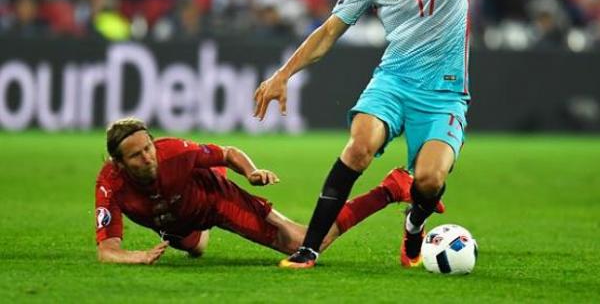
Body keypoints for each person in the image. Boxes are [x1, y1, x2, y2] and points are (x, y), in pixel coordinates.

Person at [253, 0, 570, 269]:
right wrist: (283, 74)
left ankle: (415, 222)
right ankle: (310, 248)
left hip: (445, 94)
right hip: (394, 82)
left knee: (429, 181)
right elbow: (328, 32)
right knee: (359, 147)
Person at [95, 117, 429, 264]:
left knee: (303, 243)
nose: (147, 157)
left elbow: (227, 152)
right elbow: (107, 250)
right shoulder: (110, 185)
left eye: (148, 148)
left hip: (216, 200)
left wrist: (251, 172)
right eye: (137, 155)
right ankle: (191, 227)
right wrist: (136, 257)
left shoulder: (175, 152)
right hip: (178, 219)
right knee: (193, 248)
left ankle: (389, 189)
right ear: (119, 163)